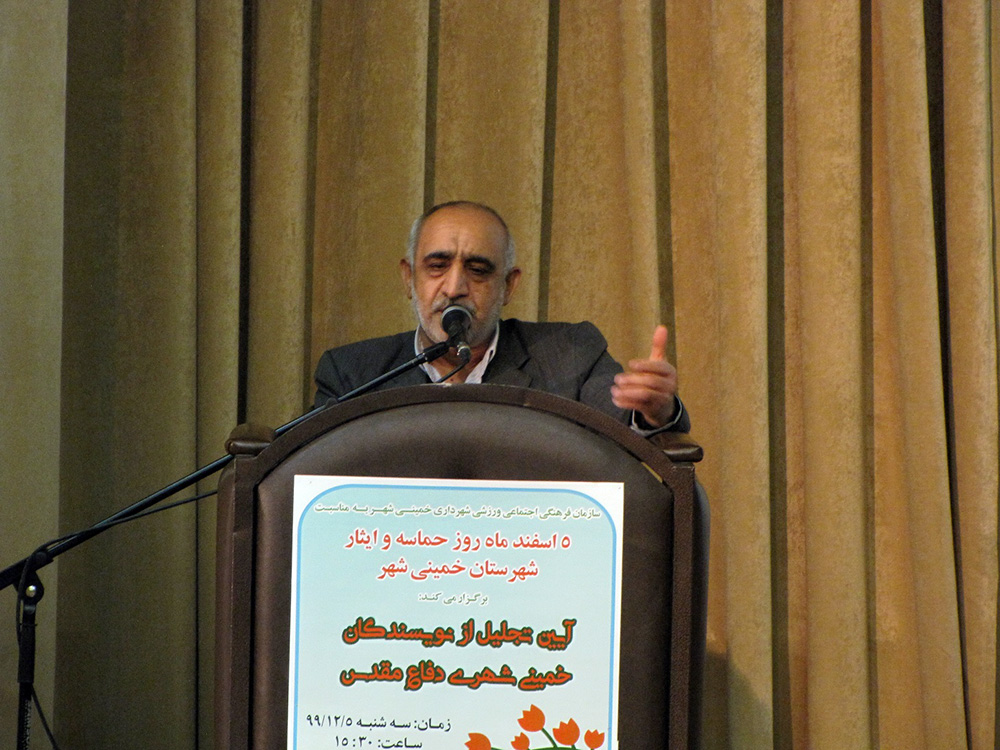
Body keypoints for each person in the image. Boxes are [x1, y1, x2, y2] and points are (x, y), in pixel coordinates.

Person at [314, 200, 689, 434]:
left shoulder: (570, 355)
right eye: (437, 266)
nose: (454, 287)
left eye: (478, 270)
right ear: (409, 278)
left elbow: (626, 425)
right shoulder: (353, 374)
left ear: (508, 286)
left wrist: (656, 410)